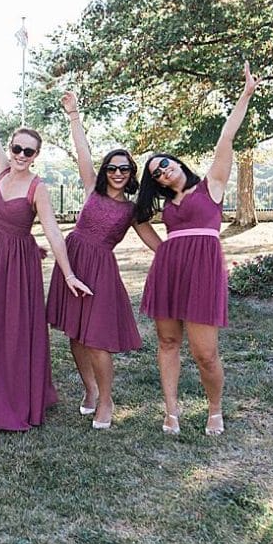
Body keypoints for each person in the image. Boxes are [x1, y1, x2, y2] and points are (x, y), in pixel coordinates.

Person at [136, 62, 259, 436]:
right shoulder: (165, 204)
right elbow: (138, 220)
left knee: (205, 353)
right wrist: (163, 250)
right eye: (156, 173)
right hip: (169, 271)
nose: (163, 172)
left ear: (178, 163)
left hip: (203, 271)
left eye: (165, 165)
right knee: (168, 341)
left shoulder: (211, 186)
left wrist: (246, 93)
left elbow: (225, 138)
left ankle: (215, 408)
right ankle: (171, 411)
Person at [0, 69, 92, 431]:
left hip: (18, 265)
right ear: (10, 149)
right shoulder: (0, 172)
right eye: (17, 148)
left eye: (29, 151)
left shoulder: (37, 187)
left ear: (36, 155)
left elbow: (54, 233)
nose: (21, 154)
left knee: (13, 328)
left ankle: (15, 395)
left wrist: (69, 272)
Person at [46, 92, 161, 430]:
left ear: (132, 173)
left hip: (101, 272)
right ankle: (90, 390)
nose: (117, 172)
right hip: (73, 260)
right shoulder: (91, 190)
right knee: (76, 335)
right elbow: (83, 150)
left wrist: (187, 254)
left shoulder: (132, 210)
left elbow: (156, 243)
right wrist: (74, 114)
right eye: (112, 167)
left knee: (96, 338)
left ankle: (107, 400)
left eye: (124, 169)